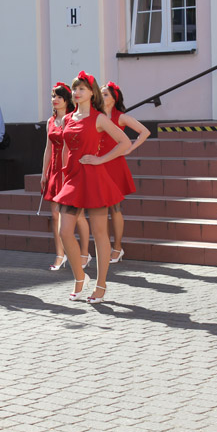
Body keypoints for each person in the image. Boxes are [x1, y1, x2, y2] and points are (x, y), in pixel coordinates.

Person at [53, 71, 131, 304]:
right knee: (64, 231)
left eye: (82, 89)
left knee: (99, 233)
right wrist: (65, 172)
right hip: (73, 178)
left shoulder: (99, 118)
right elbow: (66, 148)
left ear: (91, 93)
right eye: (75, 89)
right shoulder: (68, 118)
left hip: (94, 178)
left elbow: (124, 142)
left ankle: (101, 285)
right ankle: (80, 277)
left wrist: (100, 159)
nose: (76, 93)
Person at [40, 82, 92, 271]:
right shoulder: (50, 121)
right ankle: (60, 254)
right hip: (55, 170)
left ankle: (85, 253)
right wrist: (44, 172)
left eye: (59, 97)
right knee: (55, 215)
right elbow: (48, 148)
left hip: (71, 169)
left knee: (77, 215)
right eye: (53, 96)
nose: (55, 100)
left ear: (67, 100)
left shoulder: (73, 119)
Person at [100, 81, 150, 263]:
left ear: (114, 98)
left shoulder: (120, 117)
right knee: (100, 209)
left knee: (115, 208)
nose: (102, 96)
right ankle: (104, 247)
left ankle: (117, 247)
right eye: (101, 93)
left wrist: (129, 149)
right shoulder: (96, 116)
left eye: (105, 94)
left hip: (114, 165)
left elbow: (144, 132)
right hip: (98, 164)